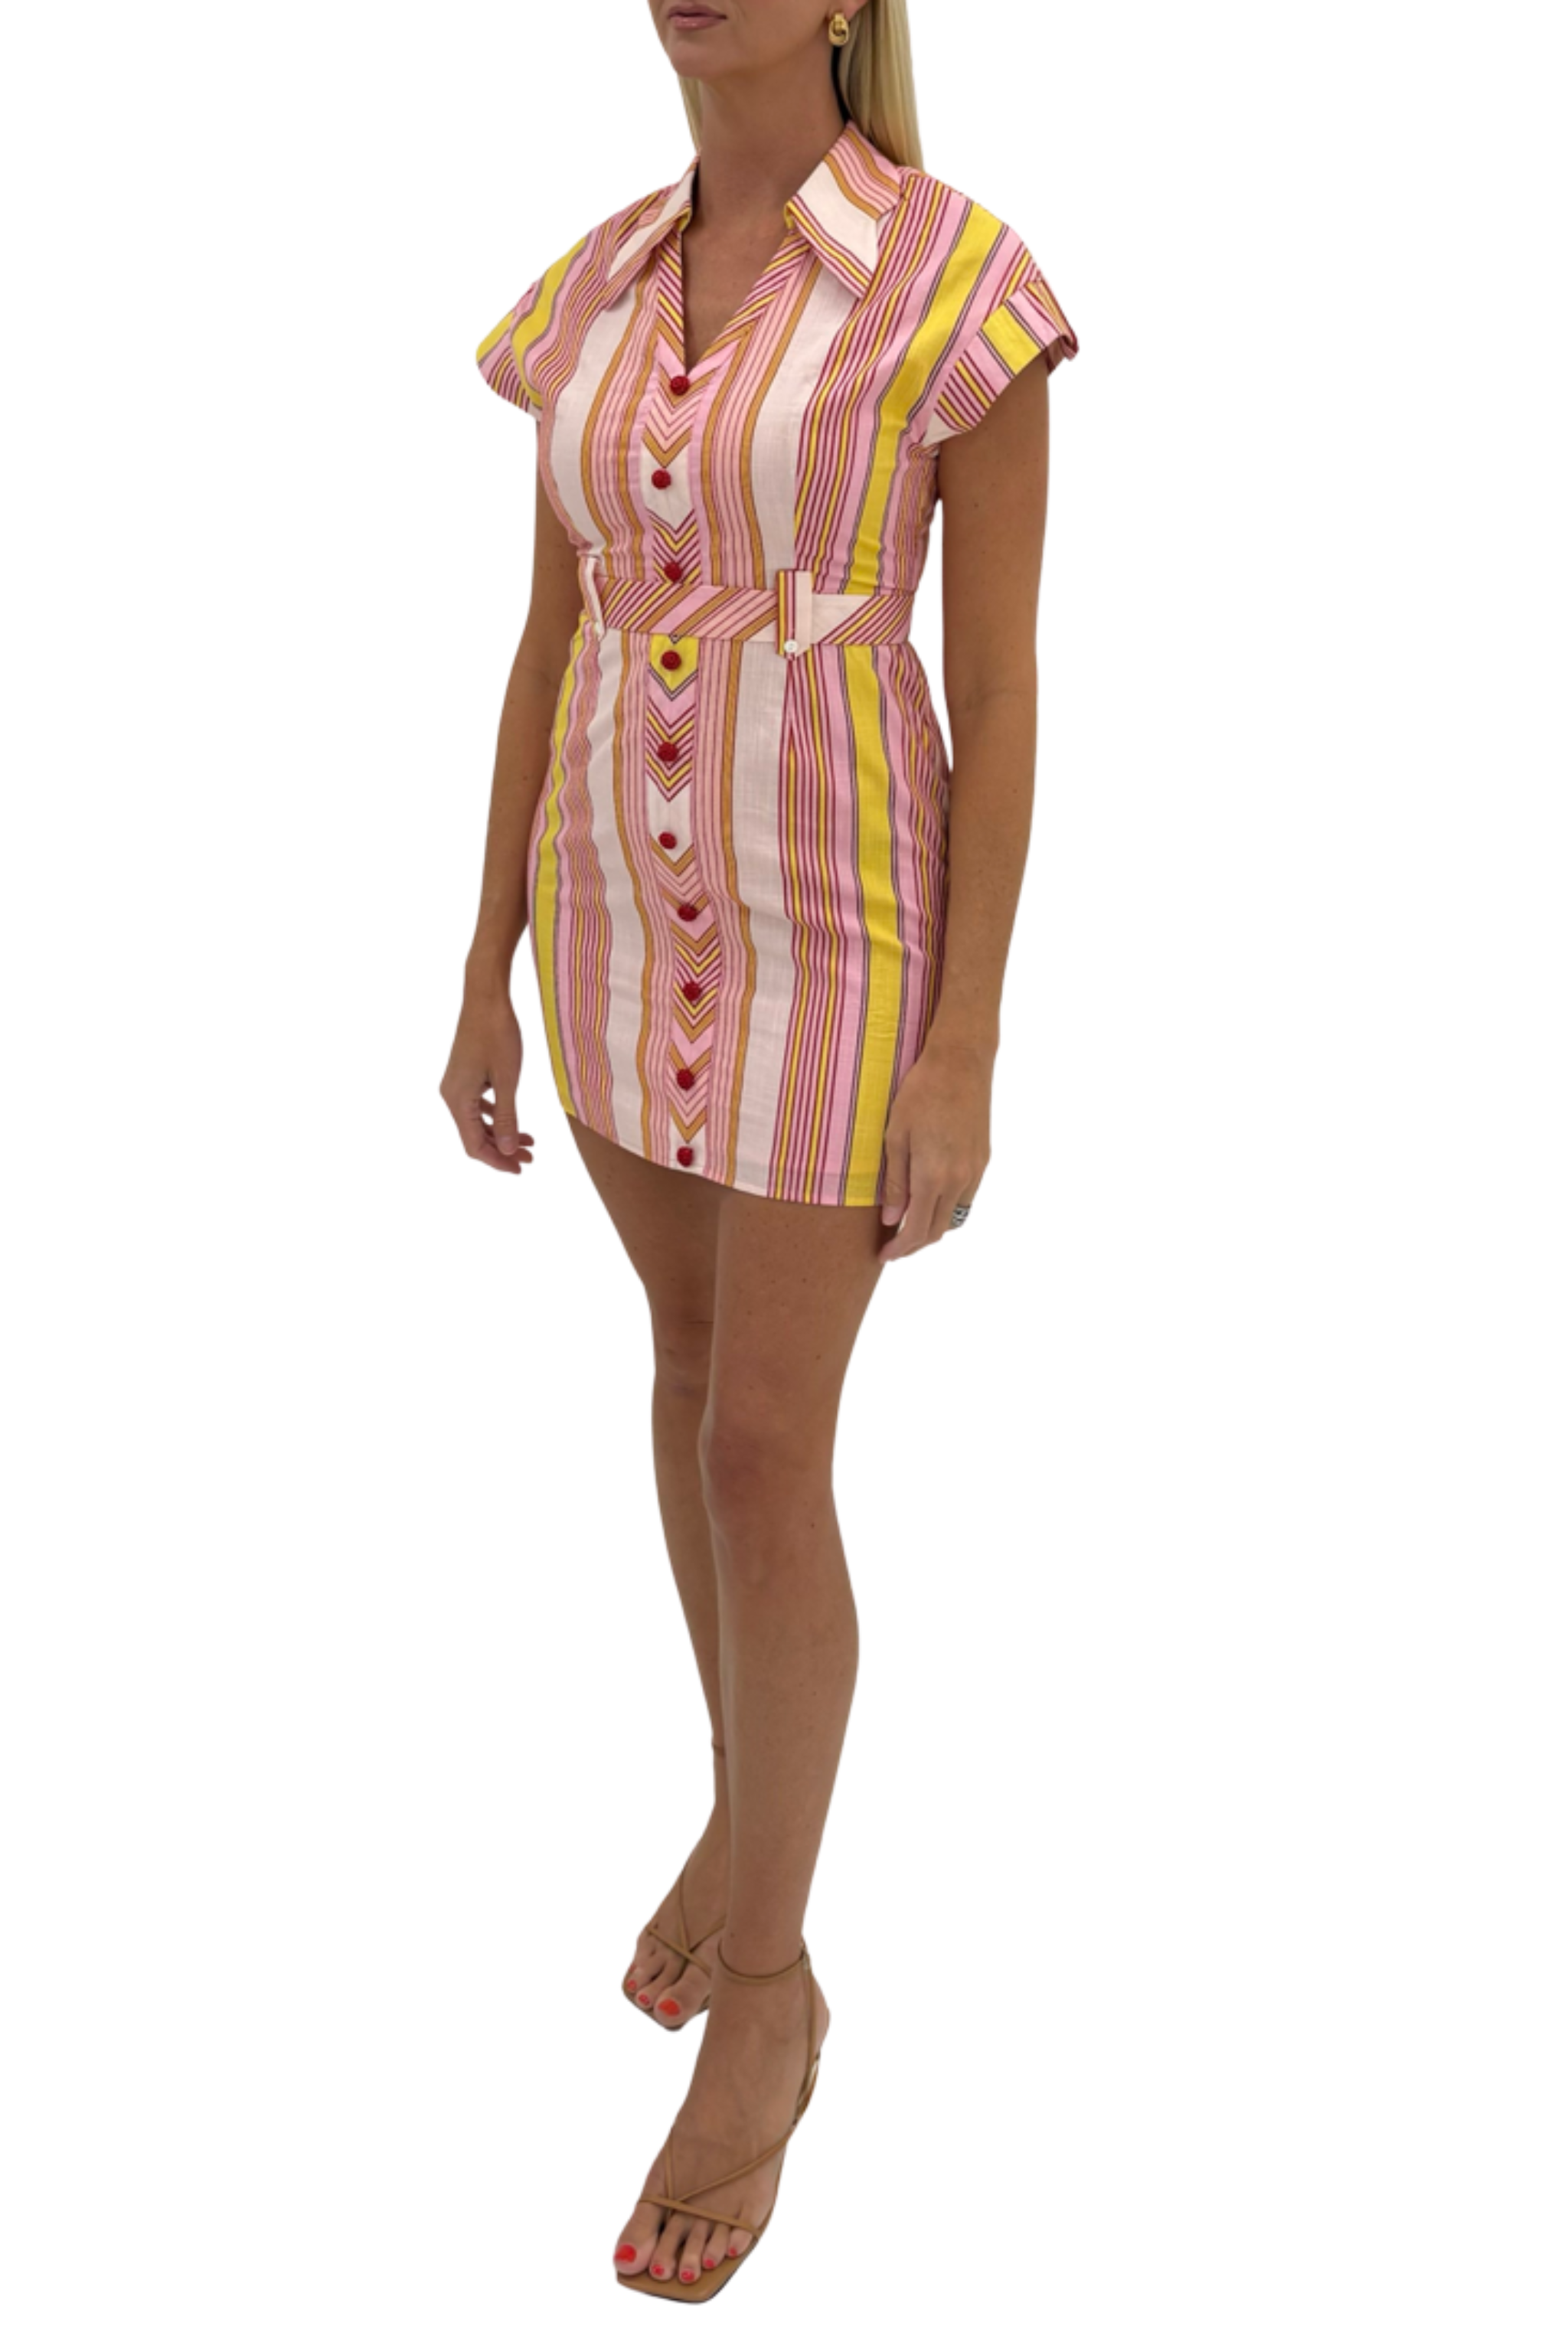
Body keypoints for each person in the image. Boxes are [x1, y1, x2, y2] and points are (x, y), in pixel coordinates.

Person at [441, 0, 1076, 2304]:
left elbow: (997, 690)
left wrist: (966, 1039)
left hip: (837, 917)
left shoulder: (957, 283)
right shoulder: (597, 284)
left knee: (757, 1446)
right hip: (613, 901)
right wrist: (484, 953)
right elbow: (547, 640)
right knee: (688, 1367)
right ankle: (743, 1812)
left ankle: (776, 1994)